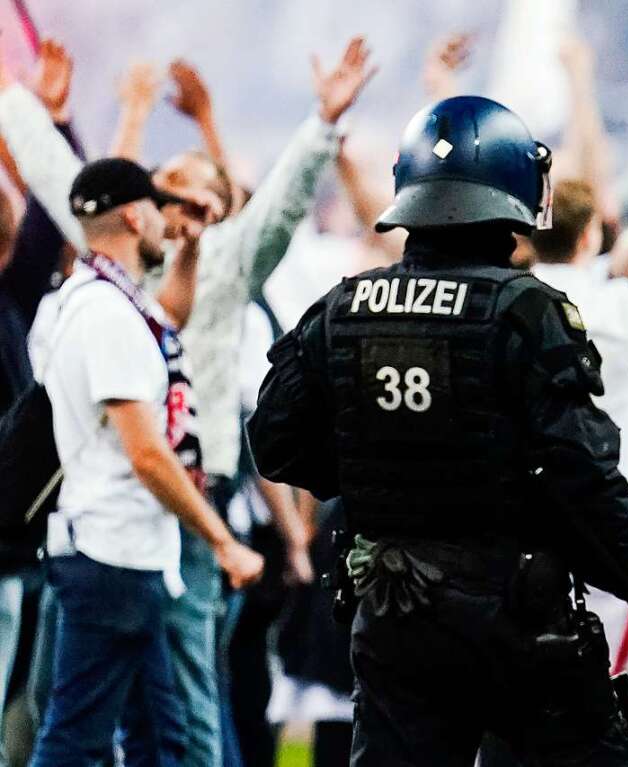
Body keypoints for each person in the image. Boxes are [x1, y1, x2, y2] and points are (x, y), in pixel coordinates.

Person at [248, 95, 628, 766]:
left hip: (391, 607)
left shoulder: (342, 306)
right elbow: (585, 479)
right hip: (514, 613)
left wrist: (371, 470)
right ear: (516, 190)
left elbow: (273, 442)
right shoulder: (526, 310)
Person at [0, 37, 374, 767]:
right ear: (138, 214)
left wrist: (322, 128)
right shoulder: (118, 292)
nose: (170, 197)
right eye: (160, 189)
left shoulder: (203, 264)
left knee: (170, 710)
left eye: (184, 188)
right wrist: (23, 102)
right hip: (128, 519)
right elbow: (66, 182)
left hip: (172, 511)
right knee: (112, 716)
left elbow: (267, 216)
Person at [27, 158, 263, 766]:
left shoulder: (105, 298)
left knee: (162, 740)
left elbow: (170, 321)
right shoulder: (107, 315)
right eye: (161, 208)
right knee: (74, 740)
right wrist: (221, 541)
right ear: (134, 214)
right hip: (111, 556)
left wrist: (190, 245)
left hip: (124, 556)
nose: (168, 221)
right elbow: (149, 457)